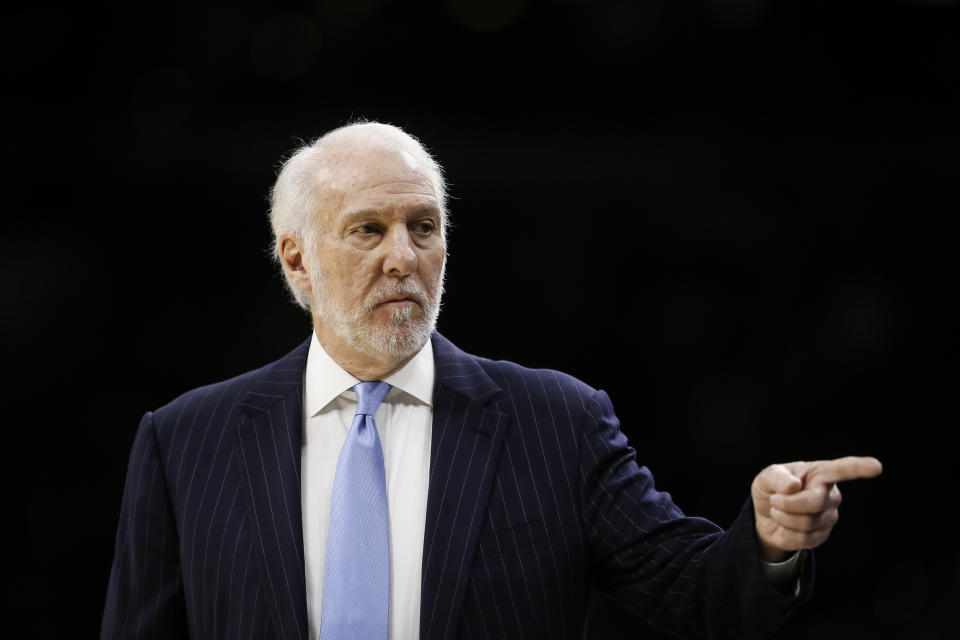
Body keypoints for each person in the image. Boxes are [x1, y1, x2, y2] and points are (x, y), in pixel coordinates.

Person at [100, 121, 882, 640]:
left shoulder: (557, 422)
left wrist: (772, 542)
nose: (403, 258)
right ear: (297, 257)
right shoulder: (185, 441)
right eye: (368, 230)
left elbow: (696, 595)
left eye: (424, 227)